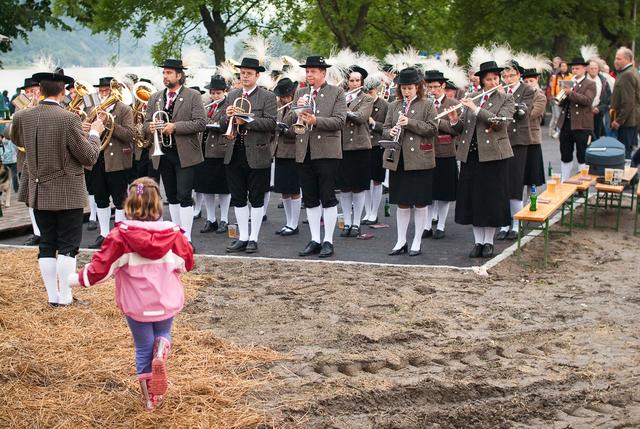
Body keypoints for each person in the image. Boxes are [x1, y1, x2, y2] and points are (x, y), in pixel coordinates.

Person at [69, 177, 194, 411]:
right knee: (163, 332)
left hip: (137, 305)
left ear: (129, 204)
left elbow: (101, 269)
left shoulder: (120, 238)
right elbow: (187, 264)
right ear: (158, 205)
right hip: (166, 300)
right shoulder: (174, 235)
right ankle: (163, 346)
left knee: (142, 348)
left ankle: (150, 400)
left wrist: (74, 280)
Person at [11, 68, 103, 306]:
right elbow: (89, 156)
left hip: (39, 190)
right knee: (68, 246)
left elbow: (18, 138)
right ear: (64, 91)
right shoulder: (69, 118)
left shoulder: (23, 116)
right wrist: (94, 133)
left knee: (47, 243)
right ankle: (65, 297)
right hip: (66, 191)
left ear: (39, 91)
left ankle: (53, 296)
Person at [454, 60, 515, 258]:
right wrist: (453, 119)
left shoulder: (506, 99)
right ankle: (478, 241)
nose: (494, 81)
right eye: (489, 79)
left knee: (490, 199)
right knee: (473, 199)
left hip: (494, 156)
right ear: (482, 81)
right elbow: (461, 127)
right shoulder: (471, 97)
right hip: (471, 155)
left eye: (496, 78)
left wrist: (476, 109)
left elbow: (499, 123)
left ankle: (489, 242)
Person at [144, 59, 207, 247]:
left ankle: (186, 238)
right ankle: (175, 233)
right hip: (162, 152)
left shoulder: (193, 95)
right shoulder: (155, 97)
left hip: (184, 153)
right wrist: (150, 126)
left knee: (184, 195)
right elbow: (145, 124)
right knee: (171, 195)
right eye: (164, 73)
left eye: (169, 73)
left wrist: (175, 127)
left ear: (179, 75)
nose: (165, 76)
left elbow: (200, 123)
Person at [219, 57, 277, 254]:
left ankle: (254, 238)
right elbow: (220, 123)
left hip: (257, 152)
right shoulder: (232, 95)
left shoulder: (267, 97)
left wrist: (247, 120)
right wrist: (227, 116)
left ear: (257, 75)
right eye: (242, 73)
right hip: (234, 151)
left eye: (249, 73)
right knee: (238, 197)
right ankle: (243, 237)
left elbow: (270, 124)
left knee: (257, 197)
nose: (245, 76)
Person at [382, 67, 440, 257]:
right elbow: (385, 127)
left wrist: (411, 123)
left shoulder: (427, 104)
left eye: (410, 88)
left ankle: (417, 240)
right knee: (402, 202)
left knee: (420, 202)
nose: (406, 92)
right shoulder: (394, 105)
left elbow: (433, 128)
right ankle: (401, 241)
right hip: (399, 159)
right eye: (403, 88)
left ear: (417, 87)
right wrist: (389, 132)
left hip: (420, 160)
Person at [295, 56, 347, 258]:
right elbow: (292, 121)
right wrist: (297, 110)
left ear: (323, 73)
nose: (309, 75)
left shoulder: (336, 92)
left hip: (327, 151)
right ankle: (315, 239)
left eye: (313, 71)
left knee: (327, 197)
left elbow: (340, 121)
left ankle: (328, 241)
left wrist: (316, 120)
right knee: (310, 198)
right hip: (304, 150)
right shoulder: (300, 92)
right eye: (307, 71)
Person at [85, 77, 135, 249]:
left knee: (120, 198)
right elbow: (85, 135)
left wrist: (109, 125)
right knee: (100, 198)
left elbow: (129, 134)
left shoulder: (124, 109)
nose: (105, 94)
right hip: (97, 159)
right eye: (102, 91)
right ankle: (104, 234)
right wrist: (86, 129)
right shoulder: (93, 109)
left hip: (117, 161)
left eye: (108, 91)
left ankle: (120, 234)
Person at [496, 60, 535, 241]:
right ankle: (504, 223)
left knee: (515, 182)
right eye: (505, 76)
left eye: (512, 75)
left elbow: (521, 113)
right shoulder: (499, 90)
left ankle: (516, 223)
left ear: (519, 75)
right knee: (501, 182)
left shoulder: (527, 90)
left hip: (518, 141)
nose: (508, 79)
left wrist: (506, 97)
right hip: (501, 140)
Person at [422, 70, 461, 240]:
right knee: (428, 192)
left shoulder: (453, 103)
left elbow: (457, 129)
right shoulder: (423, 103)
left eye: (436, 87)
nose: (433, 90)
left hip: (446, 152)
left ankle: (442, 225)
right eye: (430, 87)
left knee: (444, 192)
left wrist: (438, 122)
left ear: (443, 86)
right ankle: (427, 224)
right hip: (427, 151)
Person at [338, 65, 374, 238]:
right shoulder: (340, 96)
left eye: (357, 80)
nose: (353, 83)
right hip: (342, 146)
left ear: (362, 82)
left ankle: (357, 223)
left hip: (360, 147)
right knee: (345, 188)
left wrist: (343, 110)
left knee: (358, 187)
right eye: (351, 80)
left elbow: (361, 117)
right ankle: (347, 222)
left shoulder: (367, 98)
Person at [195, 75, 232, 234]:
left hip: (220, 150)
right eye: (213, 93)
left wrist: (213, 123)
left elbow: (226, 124)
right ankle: (211, 219)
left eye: (218, 93)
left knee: (223, 188)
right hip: (205, 151)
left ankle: (224, 219)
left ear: (225, 92)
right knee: (206, 188)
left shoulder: (228, 105)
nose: (215, 96)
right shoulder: (206, 105)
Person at [556, 56, 596, 181]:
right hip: (566, 123)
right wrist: (561, 96)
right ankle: (564, 181)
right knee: (565, 153)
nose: (574, 71)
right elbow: (562, 103)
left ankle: (582, 185)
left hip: (582, 125)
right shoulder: (569, 81)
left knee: (582, 154)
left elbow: (587, 100)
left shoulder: (590, 84)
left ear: (585, 69)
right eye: (573, 68)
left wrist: (571, 93)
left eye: (577, 68)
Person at [272, 77, 302, 236]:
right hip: (279, 151)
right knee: (284, 190)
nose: (284, 99)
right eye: (282, 97)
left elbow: (299, 129)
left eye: (286, 96)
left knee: (294, 189)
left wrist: (284, 130)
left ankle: (294, 223)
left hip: (292, 152)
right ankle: (288, 222)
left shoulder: (299, 107)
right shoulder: (279, 107)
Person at [362, 79, 388, 225]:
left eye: (371, 92)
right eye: (366, 92)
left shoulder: (384, 105)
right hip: (364, 144)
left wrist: (374, 123)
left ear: (376, 90)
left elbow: (387, 127)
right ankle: (367, 211)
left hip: (378, 144)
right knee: (365, 179)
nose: (368, 95)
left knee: (377, 180)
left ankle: (374, 212)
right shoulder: (363, 102)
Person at [522, 67, 548, 196]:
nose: (528, 84)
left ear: (537, 80)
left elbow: (531, 114)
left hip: (532, 139)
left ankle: (532, 202)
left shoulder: (540, 96)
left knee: (532, 177)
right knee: (520, 175)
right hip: (520, 138)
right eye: (525, 81)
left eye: (531, 80)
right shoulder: (521, 94)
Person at [610, 47, 640, 159]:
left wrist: (618, 121)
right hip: (631, 120)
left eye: (619, 59)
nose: (615, 61)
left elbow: (628, 102)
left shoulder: (627, 74)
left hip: (627, 121)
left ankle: (628, 176)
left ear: (627, 60)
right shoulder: (630, 71)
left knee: (624, 152)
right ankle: (632, 174)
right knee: (628, 149)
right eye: (615, 58)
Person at [587, 60, 611, 139]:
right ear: (587, 69)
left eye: (595, 68)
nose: (593, 70)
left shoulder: (603, 81)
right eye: (591, 68)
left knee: (596, 136)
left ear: (598, 69)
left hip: (598, 113)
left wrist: (599, 108)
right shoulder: (583, 79)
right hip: (584, 113)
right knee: (585, 137)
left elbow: (608, 99)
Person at [550, 61, 572, 138]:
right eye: (562, 66)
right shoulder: (556, 76)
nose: (564, 67)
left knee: (564, 115)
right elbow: (553, 86)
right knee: (557, 116)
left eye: (565, 66)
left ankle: (562, 131)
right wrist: (553, 95)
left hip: (566, 97)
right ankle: (557, 131)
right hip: (557, 97)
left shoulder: (570, 76)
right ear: (560, 67)